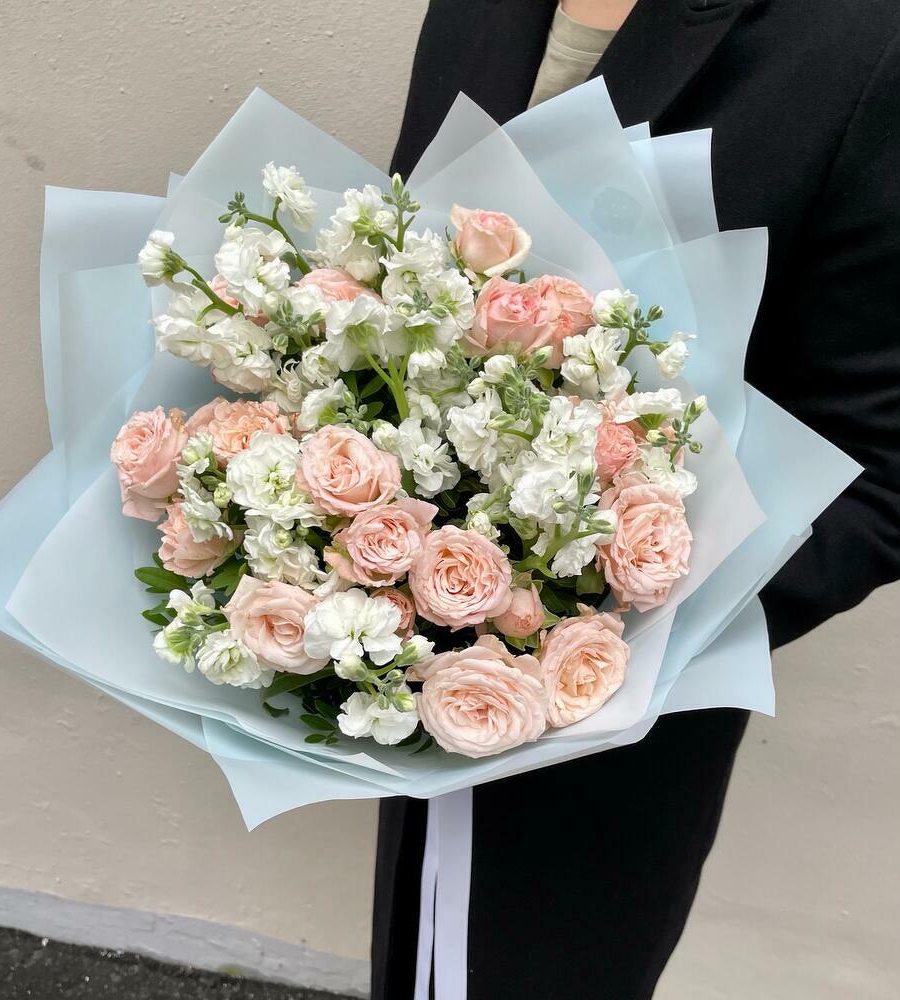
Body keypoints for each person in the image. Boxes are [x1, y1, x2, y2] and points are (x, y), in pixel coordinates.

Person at [372, 1, 900, 997]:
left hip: (621, 714)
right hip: (401, 635)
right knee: (418, 959)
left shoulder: (865, 41)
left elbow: (875, 467)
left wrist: (597, 615)